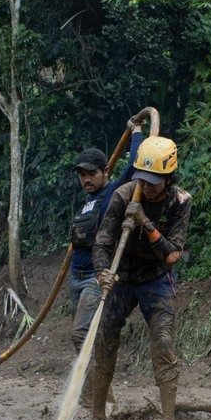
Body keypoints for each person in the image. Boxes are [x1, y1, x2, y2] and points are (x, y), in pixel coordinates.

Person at [92, 135, 192, 420]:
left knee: (163, 342)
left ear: (169, 177)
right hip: (121, 276)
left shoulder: (180, 201)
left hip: (155, 278)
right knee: (104, 336)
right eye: (143, 180)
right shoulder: (122, 195)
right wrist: (102, 273)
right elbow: (102, 243)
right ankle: (96, 415)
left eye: (154, 182)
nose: (147, 187)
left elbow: (173, 255)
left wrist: (145, 221)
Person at [70, 123, 143, 404]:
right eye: (82, 175)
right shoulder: (87, 202)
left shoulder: (114, 192)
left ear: (106, 173)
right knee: (86, 337)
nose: (86, 179)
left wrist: (135, 131)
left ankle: (95, 395)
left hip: (95, 275)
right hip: (76, 278)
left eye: (91, 174)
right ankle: (103, 395)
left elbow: (135, 165)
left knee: (80, 334)